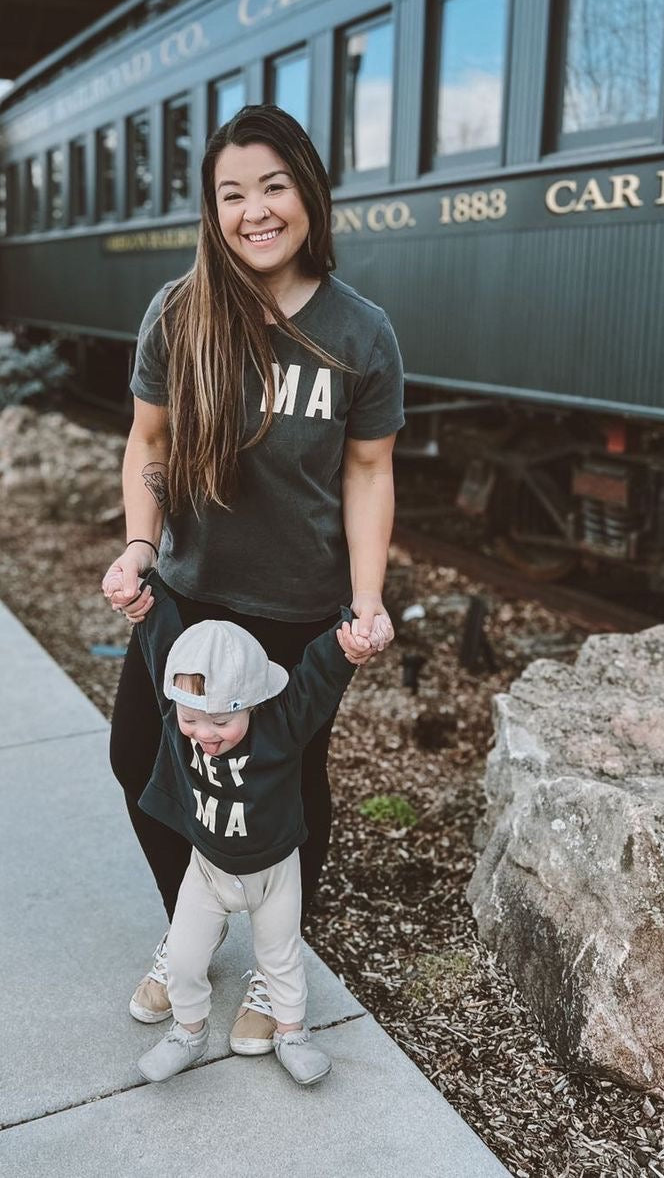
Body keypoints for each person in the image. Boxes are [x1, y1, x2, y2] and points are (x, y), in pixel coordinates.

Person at [104, 103, 404, 1055]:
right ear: (213, 210)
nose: (254, 211)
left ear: (307, 193)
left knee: (285, 783)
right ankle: (190, 928)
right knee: (140, 759)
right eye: (231, 194)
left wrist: (365, 600)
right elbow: (147, 444)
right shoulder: (180, 312)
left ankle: (279, 973)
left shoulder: (360, 332)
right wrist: (139, 547)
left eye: (273, 186)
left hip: (297, 605)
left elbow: (368, 471)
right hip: (187, 592)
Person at [129, 570, 372, 1084]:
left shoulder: (282, 726)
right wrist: (144, 592)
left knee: (280, 957)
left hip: (274, 872)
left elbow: (317, 678)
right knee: (184, 958)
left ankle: (292, 1033)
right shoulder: (178, 717)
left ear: (255, 702)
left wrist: (348, 642)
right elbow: (161, 642)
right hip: (207, 871)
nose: (205, 734)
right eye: (193, 720)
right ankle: (187, 1033)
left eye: (222, 721)